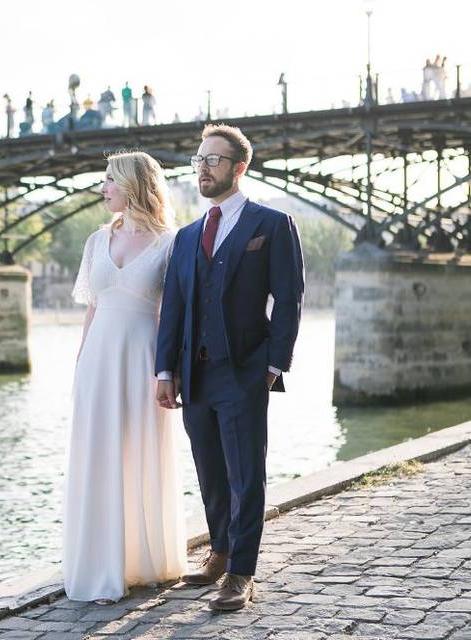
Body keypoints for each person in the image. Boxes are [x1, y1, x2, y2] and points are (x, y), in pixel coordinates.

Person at [155, 124, 304, 611]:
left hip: (244, 371)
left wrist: (274, 365)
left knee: (246, 474)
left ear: (239, 168)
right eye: (198, 159)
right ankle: (218, 551)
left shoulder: (271, 224)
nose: (202, 168)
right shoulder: (186, 236)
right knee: (210, 470)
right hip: (193, 374)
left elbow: (288, 299)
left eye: (213, 160)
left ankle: (241, 571)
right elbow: (174, 308)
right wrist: (164, 371)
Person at [64, 151, 188, 604]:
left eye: (110, 181)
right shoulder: (97, 240)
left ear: (134, 186)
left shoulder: (169, 242)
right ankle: (99, 566)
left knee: (139, 453)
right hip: (98, 359)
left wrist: (166, 371)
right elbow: (93, 307)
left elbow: (171, 314)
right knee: (97, 456)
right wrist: (80, 364)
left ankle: (145, 560)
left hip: (143, 359)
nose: (104, 189)